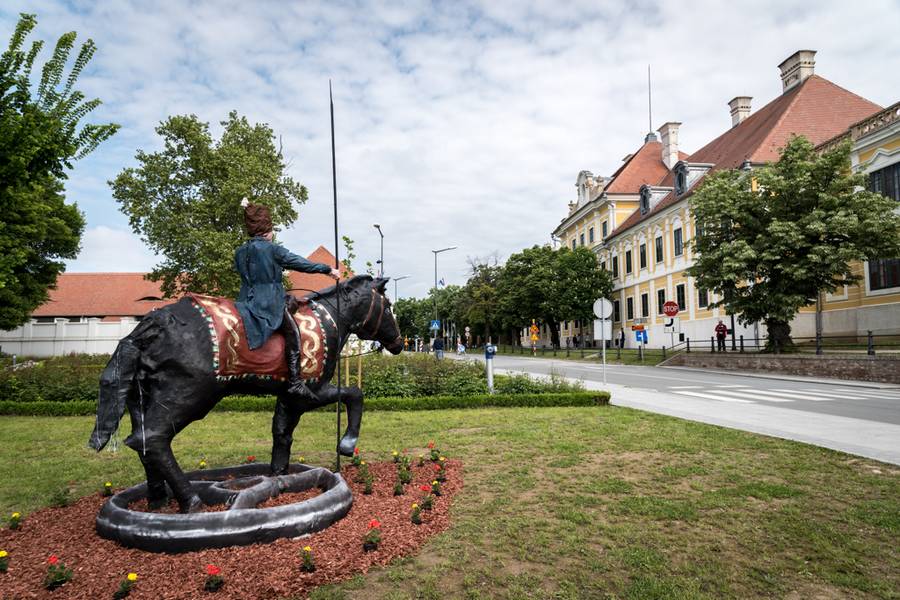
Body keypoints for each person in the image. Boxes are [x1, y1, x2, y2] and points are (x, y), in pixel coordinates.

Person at [235, 198, 340, 400]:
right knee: (294, 333)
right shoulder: (273, 249)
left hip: (244, 302)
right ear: (267, 228)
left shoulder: (240, 252)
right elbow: (300, 263)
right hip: (269, 303)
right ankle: (294, 381)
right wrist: (327, 269)